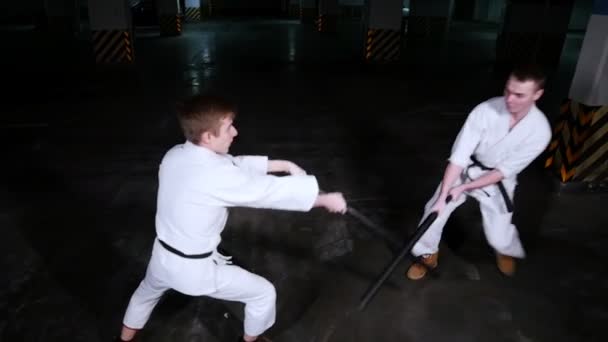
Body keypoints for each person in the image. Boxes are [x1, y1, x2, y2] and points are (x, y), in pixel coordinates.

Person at [116, 94, 347, 342]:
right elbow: (267, 192)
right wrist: (324, 199)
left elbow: (231, 164)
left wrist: (285, 165)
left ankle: (123, 340)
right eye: (228, 128)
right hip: (194, 270)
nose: (235, 132)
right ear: (207, 137)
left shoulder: (176, 155)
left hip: (162, 257)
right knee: (263, 293)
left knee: (145, 294)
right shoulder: (216, 176)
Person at [406, 64, 552, 280]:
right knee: (434, 211)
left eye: (519, 95)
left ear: (537, 94)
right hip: (467, 169)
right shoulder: (485, 111)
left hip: (498, 179)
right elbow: (459, 157)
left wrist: (465, 188)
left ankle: (504, 249)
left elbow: (503, 171)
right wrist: (444, 195)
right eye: (507, 91)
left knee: (499, 231)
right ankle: (427, 254)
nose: (510, 99)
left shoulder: (539, 131)